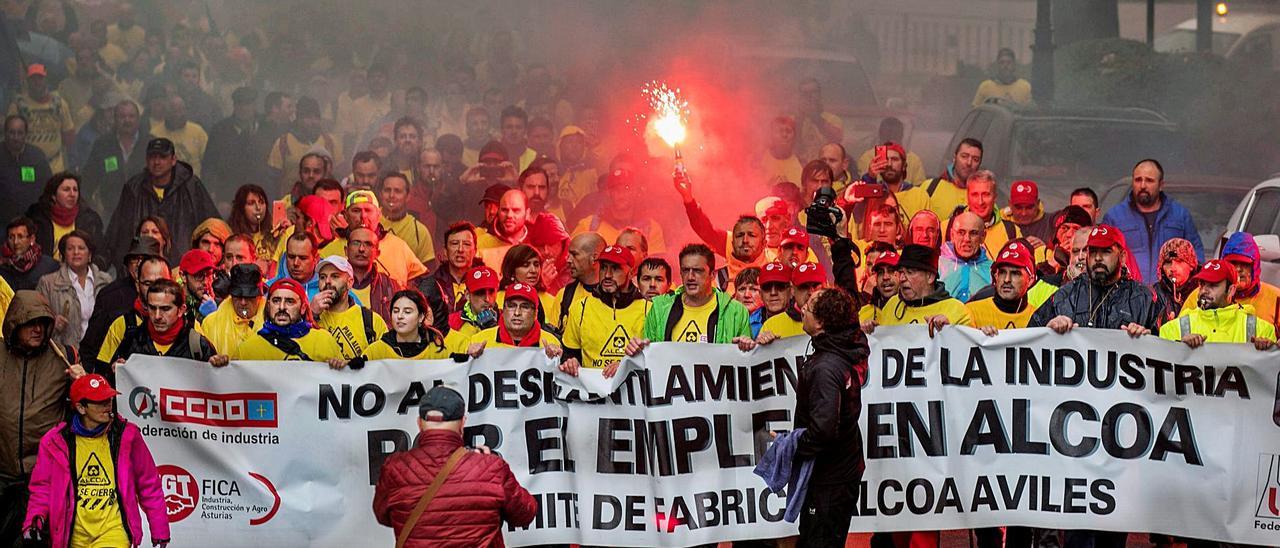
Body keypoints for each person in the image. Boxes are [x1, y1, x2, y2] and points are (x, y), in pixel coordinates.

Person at [372, 385, 536, 547]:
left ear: (419, 423)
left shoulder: (394, 468)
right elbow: (525, 514)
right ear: (462, 424)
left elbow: (383, 516)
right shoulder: (491, 467)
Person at [22, 374, 169, 548]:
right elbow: (42, 488)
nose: (108, 405)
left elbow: (149, 484)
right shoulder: (55, 441)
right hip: (71, 535)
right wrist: (34, 521)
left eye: (109, 399)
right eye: (100, 402)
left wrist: (159, 528)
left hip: (114, 530)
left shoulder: (127, 435)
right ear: (81, 408)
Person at [0, 290, 81, 544]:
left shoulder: (64, 359)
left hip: (41, 478)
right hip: (1, 473)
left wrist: (82, 382)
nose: (37, 330)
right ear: (15, 324)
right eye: (30, 323)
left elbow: (88, 410)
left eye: (43, 323)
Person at [789, 287, 867, 547]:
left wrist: (791, 446)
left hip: (828, 480)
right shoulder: (843, 350)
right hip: (840, 472)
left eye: (808, 308)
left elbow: (823, 430)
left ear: (821, 323)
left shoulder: (825, 367)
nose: (801, 310)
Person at [104, 137, 219, 266]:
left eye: (162, 157)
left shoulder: (191, 186)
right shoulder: (133, 188)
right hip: (142, 269)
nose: (157, 162)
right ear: (146, 161)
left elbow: (214, 228)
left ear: (174, 159)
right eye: (152, 157)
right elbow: (118, 234)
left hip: (186, 270)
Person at [1030, 224, 1163, 335]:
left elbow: (1167, 350)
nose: (1098, 258)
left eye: (1106, 251)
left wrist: (1148, 340)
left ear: (1122, 257)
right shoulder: (1064, 296)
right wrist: (1048, 330)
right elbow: (1028, 341)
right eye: (1093, 251)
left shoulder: (1144, 298)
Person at [1101, 159, 1203, 282]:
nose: (1143, 185)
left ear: (1161, 185)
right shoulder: (1114, 218)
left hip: (1170, 296)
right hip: (1128, 295)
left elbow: (1196, 258)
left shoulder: (1180, 216)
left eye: (1149, 180)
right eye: (1138, 180)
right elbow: (1104, 258)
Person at [558, 245, 649, 377]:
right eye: (603, 268)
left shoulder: (649, 310)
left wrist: (626, 365)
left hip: (634, 394)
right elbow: (569, 355)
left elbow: (655, 362)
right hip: (593, 394)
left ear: (631, 272)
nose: (607, 275)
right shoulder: (581, 308)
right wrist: (570, 362)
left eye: (615, 268)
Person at [639, 244, 752, 345]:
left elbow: (746, 361)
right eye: (685, 270)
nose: (690, 277)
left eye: (698, 271)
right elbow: (648, 359)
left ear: (712, 275)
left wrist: (746, 347)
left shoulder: (736, 312)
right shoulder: (660, 310)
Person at [78, 236, 161, 372]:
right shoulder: (110, 295)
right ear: (127, 265)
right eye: (134, 259)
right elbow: (91, 345)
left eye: (144, 258)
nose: (139, 264)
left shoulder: (173, 296)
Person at [1159, 259, 1277, 350]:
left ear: (1231, 290)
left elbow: (1270, 375)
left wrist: (1268, 349)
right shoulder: (1172, 330)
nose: (1204, 290)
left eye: (1213, 285)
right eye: (1202, 284)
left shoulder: (1263, 331)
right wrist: (1177, 348)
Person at [320, 190, 428, 286]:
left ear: (378, 214)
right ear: (345, 215)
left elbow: (423, 282)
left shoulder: (399, 247)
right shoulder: (329, 252)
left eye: (368, 210)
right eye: (356, 211)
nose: (363, 216)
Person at [864, 244, 973, 334]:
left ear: (930, 277)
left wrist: (950, 332)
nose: (902, 279)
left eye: (910, 272)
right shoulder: (892, 305)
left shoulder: (957, 310)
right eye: (901, 272)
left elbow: (968, 351)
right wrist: (870, 332)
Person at [109, 279, 222, 364]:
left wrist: (218, 367)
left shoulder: (197, 345)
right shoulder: (132, 340)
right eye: (152, 308)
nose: (157, 316)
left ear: (181, 310)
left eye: (165, 309)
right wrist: (116, 372)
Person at [1180, 231, 1280, 329]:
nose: (1238, 269)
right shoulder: (1200, 295)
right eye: (1233, 263)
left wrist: (1271, 344)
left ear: (1255, 266)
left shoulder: (1276, 298)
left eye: (1244, 264)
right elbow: (1178, 333)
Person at [235, 278, 344, 366]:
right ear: (268, 306)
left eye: (289, 301)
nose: (282, 307)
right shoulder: (248, 349)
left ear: (303, 308)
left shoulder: (324, 341)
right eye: (276, 301)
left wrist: (341, 367)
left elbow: (344, 380)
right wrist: (220, 365)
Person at [37, 230, 111, 349]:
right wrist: (52, 325)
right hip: (64, 354)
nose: (76, 252)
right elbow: (37, 321)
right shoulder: (48, 283)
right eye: (70, 248)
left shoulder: (105, 281)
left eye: (81, 248)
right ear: (64, 254)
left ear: (90, 254)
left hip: (99, 353)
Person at [572, 168, 666, 255]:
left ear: (635, 191)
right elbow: (571, 258)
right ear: (609, 192)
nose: (621, 194)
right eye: (616, 189)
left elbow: (656, 267)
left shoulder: (651, 228)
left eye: (626, 188)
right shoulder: (589, 226)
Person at [312, 255, 388, 360]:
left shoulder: (372, 320)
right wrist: (312, 314)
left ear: (350, 282)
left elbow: (386, 360)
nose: (327, 281)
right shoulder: (311, 317)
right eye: (322, 277)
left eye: (335, 276)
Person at [82, 100, 146, 217]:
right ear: (115, 120)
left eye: (131, 116)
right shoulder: (102, 145)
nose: (127, 120)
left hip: (144, 215)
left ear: (138, 119)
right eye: (122, 116)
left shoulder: (150, 144)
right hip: (111, 215)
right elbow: (88, 181)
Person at [6, 64, 75, 172]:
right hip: (27, 165)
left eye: (40, 78)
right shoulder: (17, 107)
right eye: (33, 79)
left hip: (55, 167)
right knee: (28, 188)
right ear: (28, 81)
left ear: (45, 79)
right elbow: (9, 138)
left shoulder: (60, 104)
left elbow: (69, 137)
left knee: (55, 188)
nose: (37, 82)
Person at [417, 222, 482, 333]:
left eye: (466, 244)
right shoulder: (430, 286)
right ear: (445, 251)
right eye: (454, 243)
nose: (460, 249)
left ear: (475, 250)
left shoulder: (484, 285)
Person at [25, 173, 104, 264]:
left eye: (75, 190)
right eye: (66, 190)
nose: (72, 194)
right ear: (53, 196)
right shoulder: (36, 220)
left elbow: (101, 253)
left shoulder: (89, 220)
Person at [267, 97, 341, 193]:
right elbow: (272, 178)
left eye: (316, 117)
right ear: (298, 119)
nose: (313, 121)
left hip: (323, 202)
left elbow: (340, 175)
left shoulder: (330, 142)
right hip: (291, 203)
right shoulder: (283, 142)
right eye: (308, 117)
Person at [467, 282, 561, 356]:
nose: (517, 313)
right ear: (503, 310)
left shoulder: (551, 343)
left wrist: (558, 359)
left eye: (525, 307)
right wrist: (469, 359)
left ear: (536, 314)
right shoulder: (479, 340)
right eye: (511, 306)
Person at [967, 240, 1041, 334]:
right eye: (1002, 272)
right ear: (996, 276)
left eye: (1015, 273)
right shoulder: (971, 312)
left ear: (1030, 280)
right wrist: (975, 337)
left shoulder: (1039, 318)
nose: (1006, 279)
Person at [355, 289, 449, 362]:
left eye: (407, 312)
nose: (399, 316)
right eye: (395, 311)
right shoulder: (376, 351)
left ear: (421, 317)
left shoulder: (437, 350)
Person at [204, 87, 262, 202]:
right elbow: (209, 164)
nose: (244, 108)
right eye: (240, 104)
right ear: (234, 106)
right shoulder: (220, 130)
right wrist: (214, 193)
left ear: (254, 105)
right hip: (228, 194)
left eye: (248, 104)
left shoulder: (265, 128)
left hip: (260, 193)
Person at [201, 264, 263, 360]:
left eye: (249, 297)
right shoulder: (210, 324)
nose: (243, 302)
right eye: (237, 296)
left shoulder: (274, 323)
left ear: (259, 296)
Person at [0, 115, 53, 223]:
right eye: (12, 132)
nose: (16, 137)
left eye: (20, 133)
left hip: (31, 219)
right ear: (5, 134)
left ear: (26, 135)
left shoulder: (37, 156)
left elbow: (48, 187)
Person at [378, 172, 436, 265]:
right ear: (380, 194)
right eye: (387, 190)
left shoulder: (419, 232)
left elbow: (428, 273)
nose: (392, 195)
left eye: (398, 191)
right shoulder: (370, 221)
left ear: (408, 196)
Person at [760, 261, 827, 339]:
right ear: (793, 290)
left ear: (827, 286)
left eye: (816, 285)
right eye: (804, 287)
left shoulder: (838, 320)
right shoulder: (772, 325)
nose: (811, 292)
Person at [919, 138, 983, 220]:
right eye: (964, 156)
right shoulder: (930, 187)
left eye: (975, 159)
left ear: (979, 164)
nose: (969, 162)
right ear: (954, 158)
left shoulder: (983, 196)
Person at [551, 232, 605, 329]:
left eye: (575, 255)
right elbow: (552, 337)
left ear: (594, 258)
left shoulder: (614, 295)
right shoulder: (564, 295)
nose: (568, 260)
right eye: (569, 255)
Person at [443, 266, 501, 354]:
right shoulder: (451, 322)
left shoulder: (506, 320)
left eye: (491, 292)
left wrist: (494, 330)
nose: (487, 299)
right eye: (480, 293)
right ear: (467, 295)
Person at [229, 184, 285, 274]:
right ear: (241, 208)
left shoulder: (275, 234)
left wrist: (288, 233)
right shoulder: (232, 236)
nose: (258, 208)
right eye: (251, 203)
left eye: (261, 202)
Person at [148, 95, 208, 177]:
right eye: (174, 111)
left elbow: (209, 161)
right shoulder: (155, 134)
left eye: (181, 110)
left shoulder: (198, 132)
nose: (178, 115)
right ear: (166, 112)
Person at [854, 118, 926, 185]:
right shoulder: (867, 158)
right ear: (881, 135)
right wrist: (870, 177)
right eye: (888, 135)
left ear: (901, 136)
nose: (891, 139)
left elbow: (920, 186)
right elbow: (861, 187)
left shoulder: (914, 159)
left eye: (895, 135)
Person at [939, 212, 992, 303]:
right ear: (952, 235)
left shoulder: (993, 270)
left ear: (983, 237)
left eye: (973, 233)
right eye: (961, 232)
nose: (967, 239)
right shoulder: (937, 266)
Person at [1037, 205, 1093, 286]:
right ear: (1055, 233)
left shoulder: (1092, 255)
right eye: (1064, 228)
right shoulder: (1040, 252)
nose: (1069, 234)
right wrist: (1049, 265)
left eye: (1076, 229)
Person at [1, 218, 60, 291]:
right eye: (11, 237)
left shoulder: (50, 267)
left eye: (20, 237)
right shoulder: (3, 267)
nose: (15, 242)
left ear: (32, 239)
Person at [477, 189, 530, 269]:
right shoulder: (479, 244)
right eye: (504, 210)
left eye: (516, 210)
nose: (509, 215)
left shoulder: (538, 242)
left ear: (527, 213)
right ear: (498, 212)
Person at [1153, 238, 1198, 325]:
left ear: (1191, 265)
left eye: (1179, 261)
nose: (1173, 268)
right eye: (1168, 262)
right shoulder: (1153, 295)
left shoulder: (1203, 292)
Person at [1004, 180, 1054, 245]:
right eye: (1018, 208)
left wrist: (1046, 248)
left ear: (1038, 204)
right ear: (1010, 204)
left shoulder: (1052, 223)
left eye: (1029, 207)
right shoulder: (998, 224)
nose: (1024, 213)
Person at [751, 261, 792, 338]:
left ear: (791, 291)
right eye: (767, 287)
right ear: (760, 293)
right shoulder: (749, 323)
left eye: (780, 286)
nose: (773, 293)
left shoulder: (804, 320)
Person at [859, 249, 900, 326]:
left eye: (891, 271)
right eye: (881, 272)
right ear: (875, 279)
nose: (885, 277)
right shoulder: (864, 312)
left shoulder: (913, 308)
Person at [498, 105, 537, 171]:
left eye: (518, 127)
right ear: (502, 130)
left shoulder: (533, 157)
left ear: (525, 131)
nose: (514, 131)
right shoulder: (493, 155)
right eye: (509, 127)